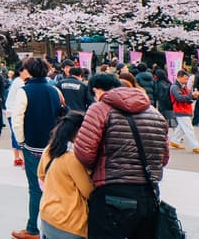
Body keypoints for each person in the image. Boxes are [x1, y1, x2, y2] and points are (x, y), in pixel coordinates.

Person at [74, 73, 169, 239]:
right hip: (149, 194)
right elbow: (164, 158)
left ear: (96, 91)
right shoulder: (156, 114)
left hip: (112, 193)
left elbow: (84, 153)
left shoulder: (99, 109)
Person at [11, 57, 63, 239]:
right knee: (54, 187)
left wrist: (21, 142)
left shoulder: (24, 91)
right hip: (52, 146)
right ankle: (54, 226)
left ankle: (32, 228)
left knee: (35, 188)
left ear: (29, 71)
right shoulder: (54, 90)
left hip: (33, 146)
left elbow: (17, 120)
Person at [37, 111, 94, 239]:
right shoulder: (72, 159)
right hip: (68, 222)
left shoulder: (49, 149)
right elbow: (88, 191)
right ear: (78, 133)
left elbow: (41, 175)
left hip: (47, 215)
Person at [169, 70, 199, 154]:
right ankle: (195, 147)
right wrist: (191, 95)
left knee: (182, 128)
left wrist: (193, 96)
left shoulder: (182, 86)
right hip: (180, 110)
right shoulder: (174, 87)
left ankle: (174, 141)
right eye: (185, 79)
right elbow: (179, 98)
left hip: (184, 109)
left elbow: (186, 97)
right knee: (189, 129)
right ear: (179, 77)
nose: (187, 81)